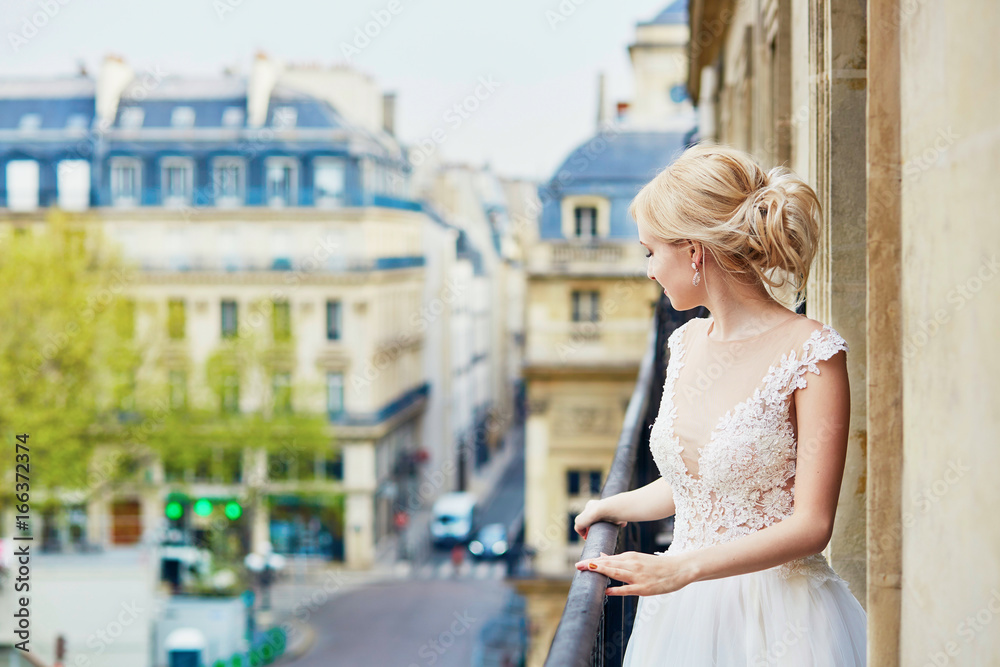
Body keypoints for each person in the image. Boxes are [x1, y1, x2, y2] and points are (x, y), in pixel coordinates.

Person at [573, 143, 867, 665]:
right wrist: (612, 506)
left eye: (650, 252)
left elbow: (812, 526)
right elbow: (699, 482)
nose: (648, 272)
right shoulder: (683, 343)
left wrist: (681, 569)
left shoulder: (814, 354)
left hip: (781, 619)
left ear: (693, 251)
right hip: (684, 614)